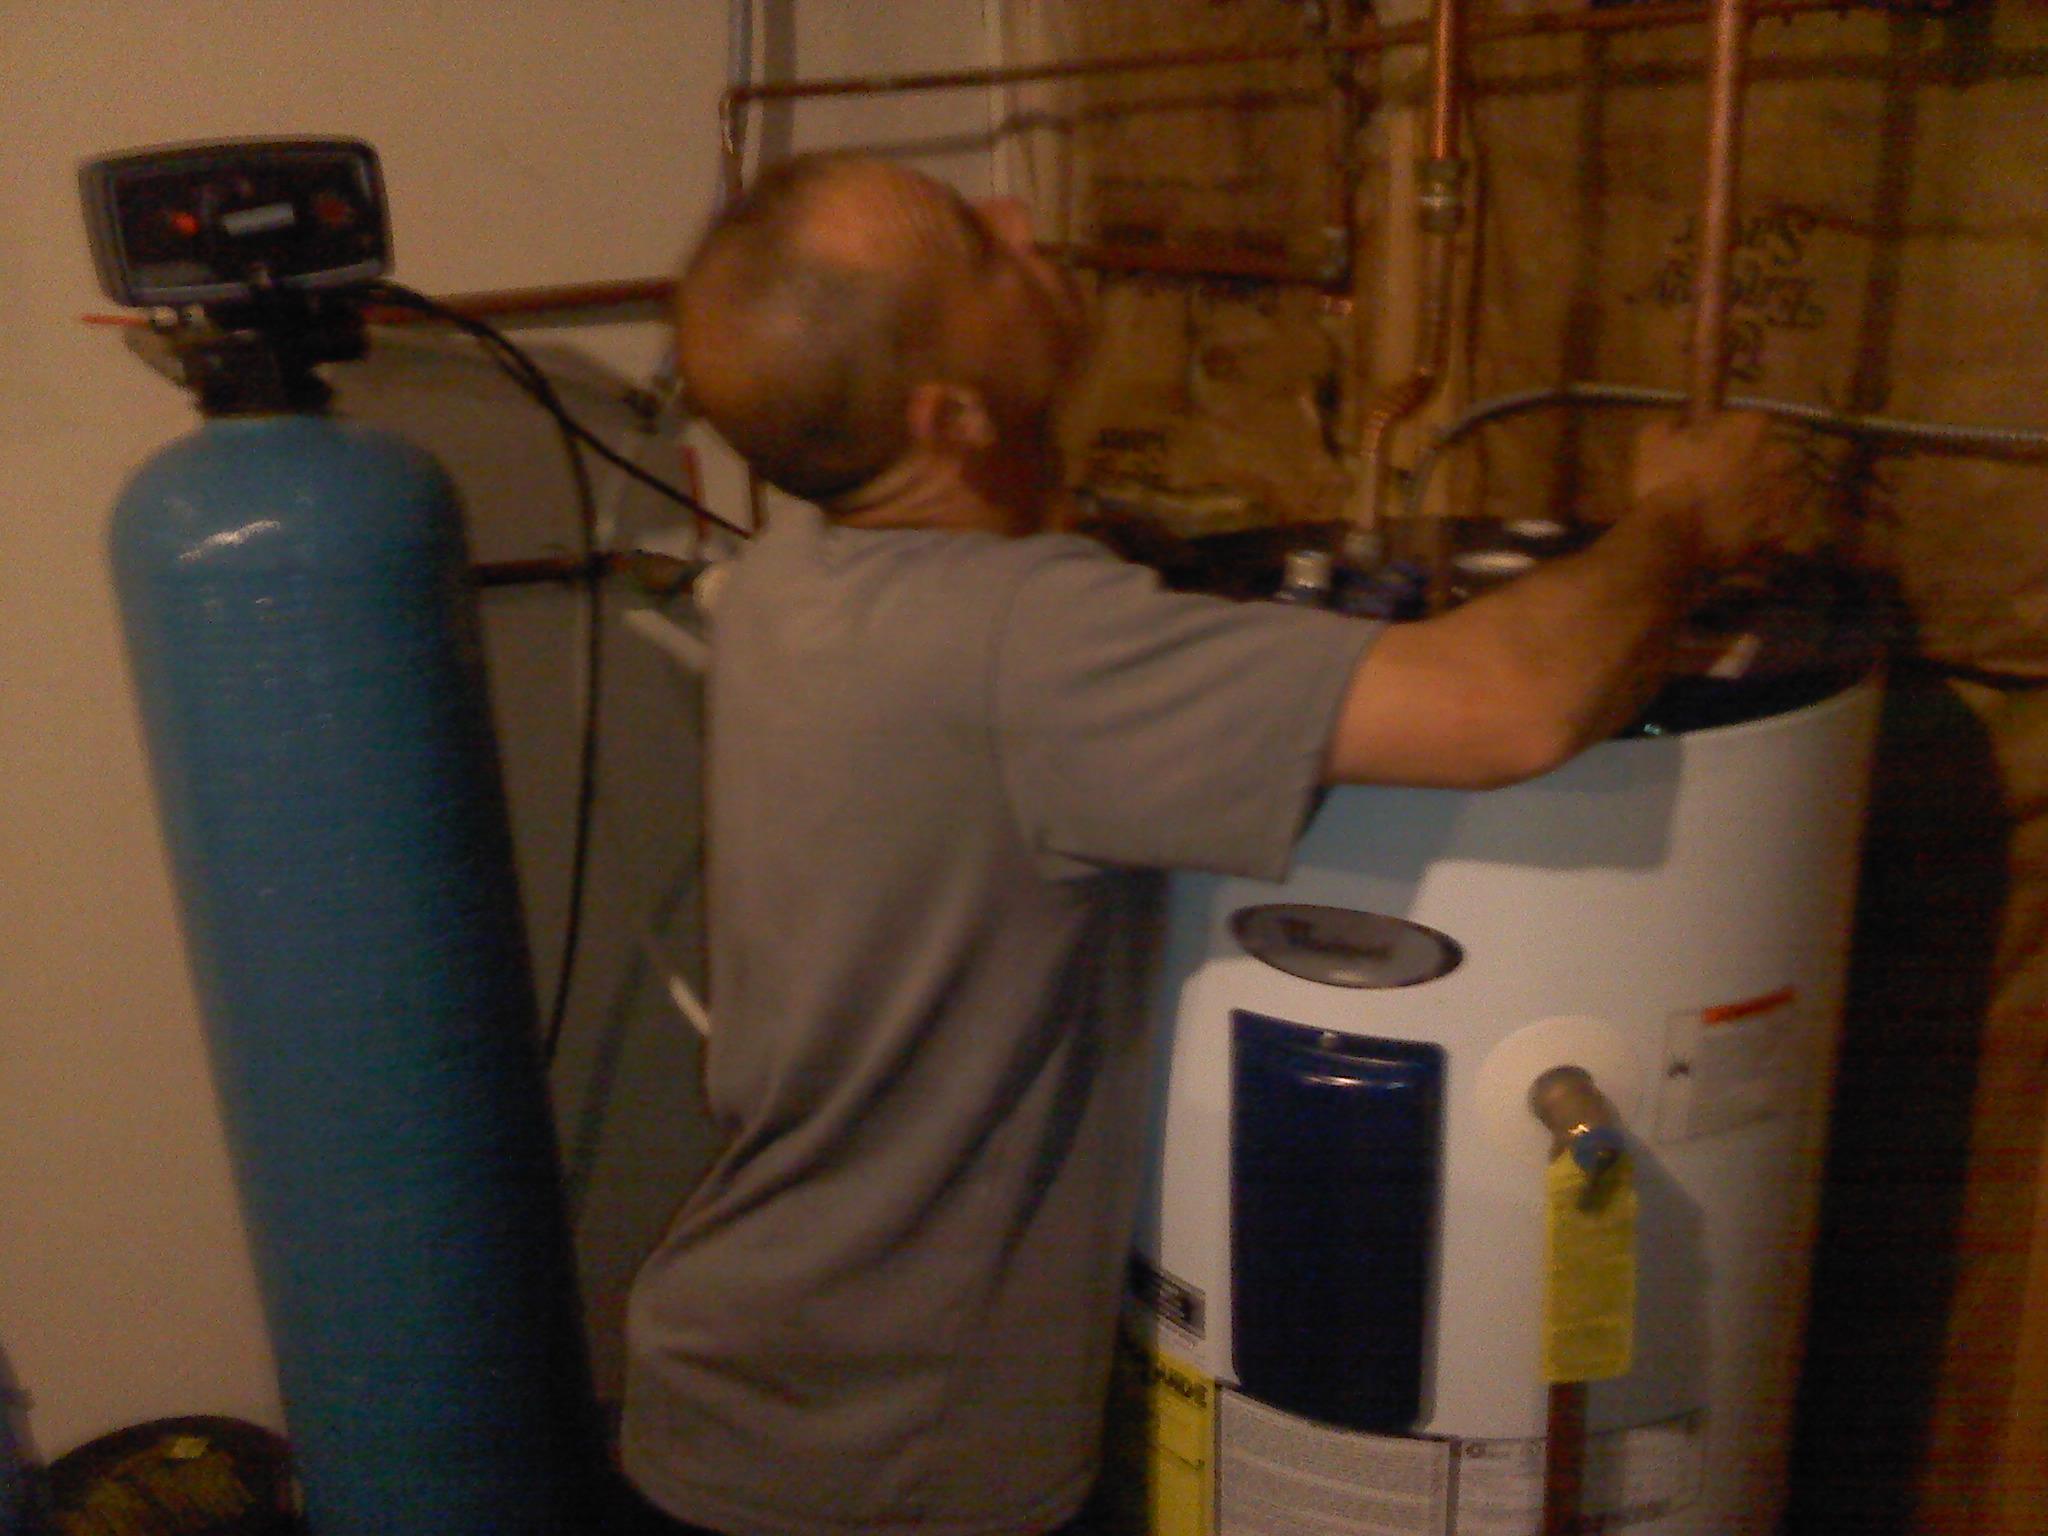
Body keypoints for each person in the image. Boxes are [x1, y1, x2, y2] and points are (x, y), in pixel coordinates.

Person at [617, 151, 1801, 1536]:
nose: (1018, 219)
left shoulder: (785, 578)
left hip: (743, 1395)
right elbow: (1513, 707)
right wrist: (1678, 523)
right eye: (976, 247)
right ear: (952, 418)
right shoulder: (1032, 652)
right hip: (879, 1471)